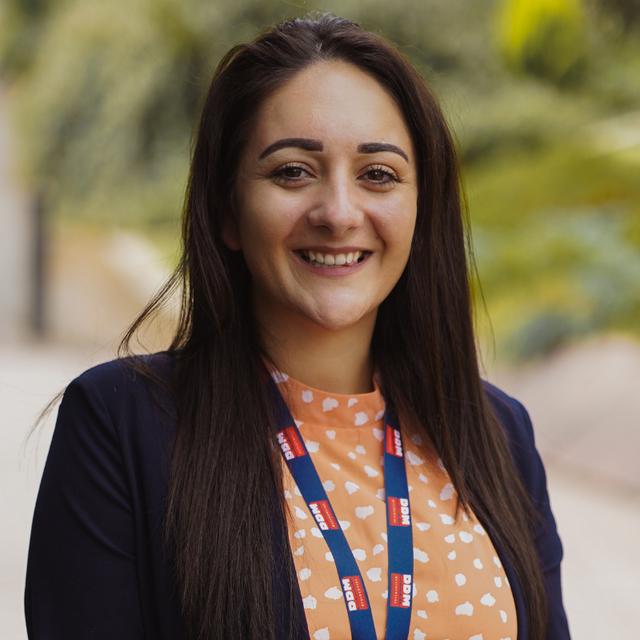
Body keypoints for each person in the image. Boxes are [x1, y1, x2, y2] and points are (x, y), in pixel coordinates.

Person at [24, 11, 571, 640]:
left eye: (378, 175)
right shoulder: (122, 424)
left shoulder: (498, 432)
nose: (338, 213)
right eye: (292, 171)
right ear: (227, 210)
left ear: (421, 210)